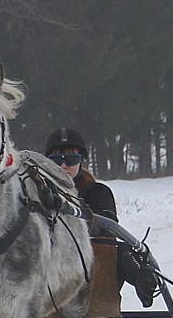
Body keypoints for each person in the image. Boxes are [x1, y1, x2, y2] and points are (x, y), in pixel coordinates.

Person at [45, 127, 157, 307]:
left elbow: (107, 229)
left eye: (71, 159)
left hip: (91, 274)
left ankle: (143, 281)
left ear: (81, 161)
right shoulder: (35, 194)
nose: (63, 166)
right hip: (47, 273)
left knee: (119, 250)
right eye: (56, 160)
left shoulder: (97, 192)